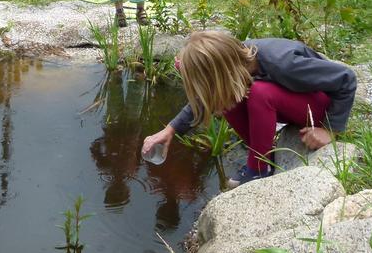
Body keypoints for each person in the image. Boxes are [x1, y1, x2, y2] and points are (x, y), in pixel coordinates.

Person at [140, 31, 357, 189]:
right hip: (291, 102)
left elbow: (346, 79)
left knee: (259, 93)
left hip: (318, 107)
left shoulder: (284, 62)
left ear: (219, 72)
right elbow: (210, 97)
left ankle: (258, 169)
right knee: (225, 98)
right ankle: (261, 159)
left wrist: (329, 129)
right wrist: (171, 129)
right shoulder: (232, 61)